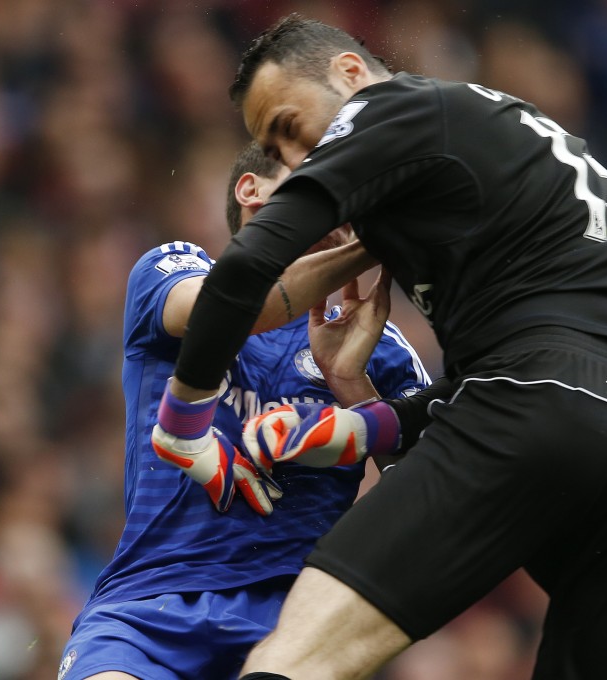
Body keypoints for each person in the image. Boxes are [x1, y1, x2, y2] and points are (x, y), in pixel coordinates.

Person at [150, 14, 607, 680]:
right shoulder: (495, 149)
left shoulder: (394, 107)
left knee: (297, 660)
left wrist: (185, 416)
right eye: (273, 150)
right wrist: (357, 399)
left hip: (544, 404)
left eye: (285, 125)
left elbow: (248, 270)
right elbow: (554, 390)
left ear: (349, 71)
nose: (292, 157)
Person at [56, 142, 429, 680]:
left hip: (293, 625)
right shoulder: (172, 271)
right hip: (146, 610)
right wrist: (374, 244)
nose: (341, 203)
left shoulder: (381, 347)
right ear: (251, 190)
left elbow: (429, 494)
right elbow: (227, 308)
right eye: (320, 182)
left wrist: (349, 383)